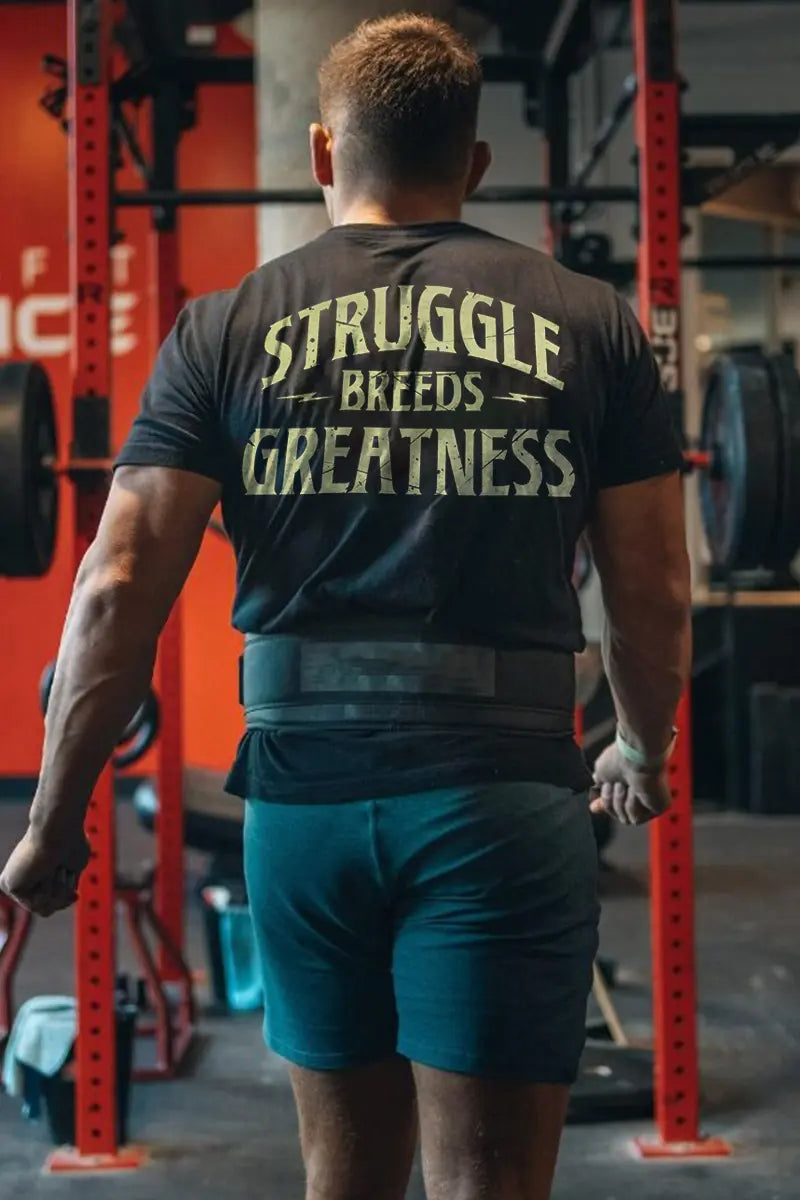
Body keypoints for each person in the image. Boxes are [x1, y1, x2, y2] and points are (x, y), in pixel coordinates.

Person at [1, 13, 691, 1200]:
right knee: (487, 1183)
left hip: (303, 807)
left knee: (346, 1179)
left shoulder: (222, 327)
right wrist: (637, 747)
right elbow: (653, 587)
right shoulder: (590, 325)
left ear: (322, 151)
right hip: (497, 800)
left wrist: (52, 822)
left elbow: (114, 588)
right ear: (475, 161)